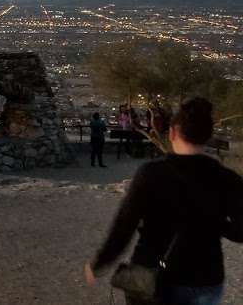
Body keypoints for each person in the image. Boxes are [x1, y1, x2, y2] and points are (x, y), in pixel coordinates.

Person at [85, 98, 243, 305]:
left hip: (151, 274)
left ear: (173, 133)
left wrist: (101, 261)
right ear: (208, 136)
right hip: (205, 277)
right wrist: (216, 222)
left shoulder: (151, 174)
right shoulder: (228, 178)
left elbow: (125, 224)